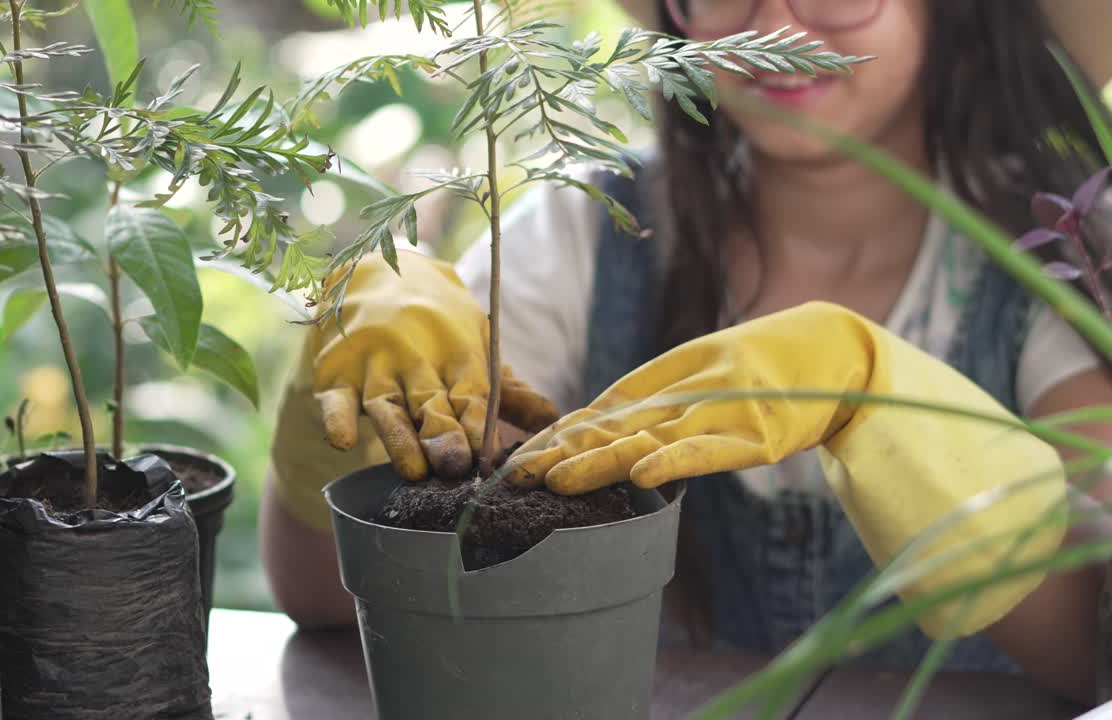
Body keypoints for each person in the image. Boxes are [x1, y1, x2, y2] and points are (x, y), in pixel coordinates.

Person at [260, 0, 1112, 704]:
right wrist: (353, 358)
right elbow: (326, 598)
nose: (775, 25)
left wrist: (886, 407)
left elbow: (1095, 657)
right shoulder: (587, 236)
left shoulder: (1057, 261)